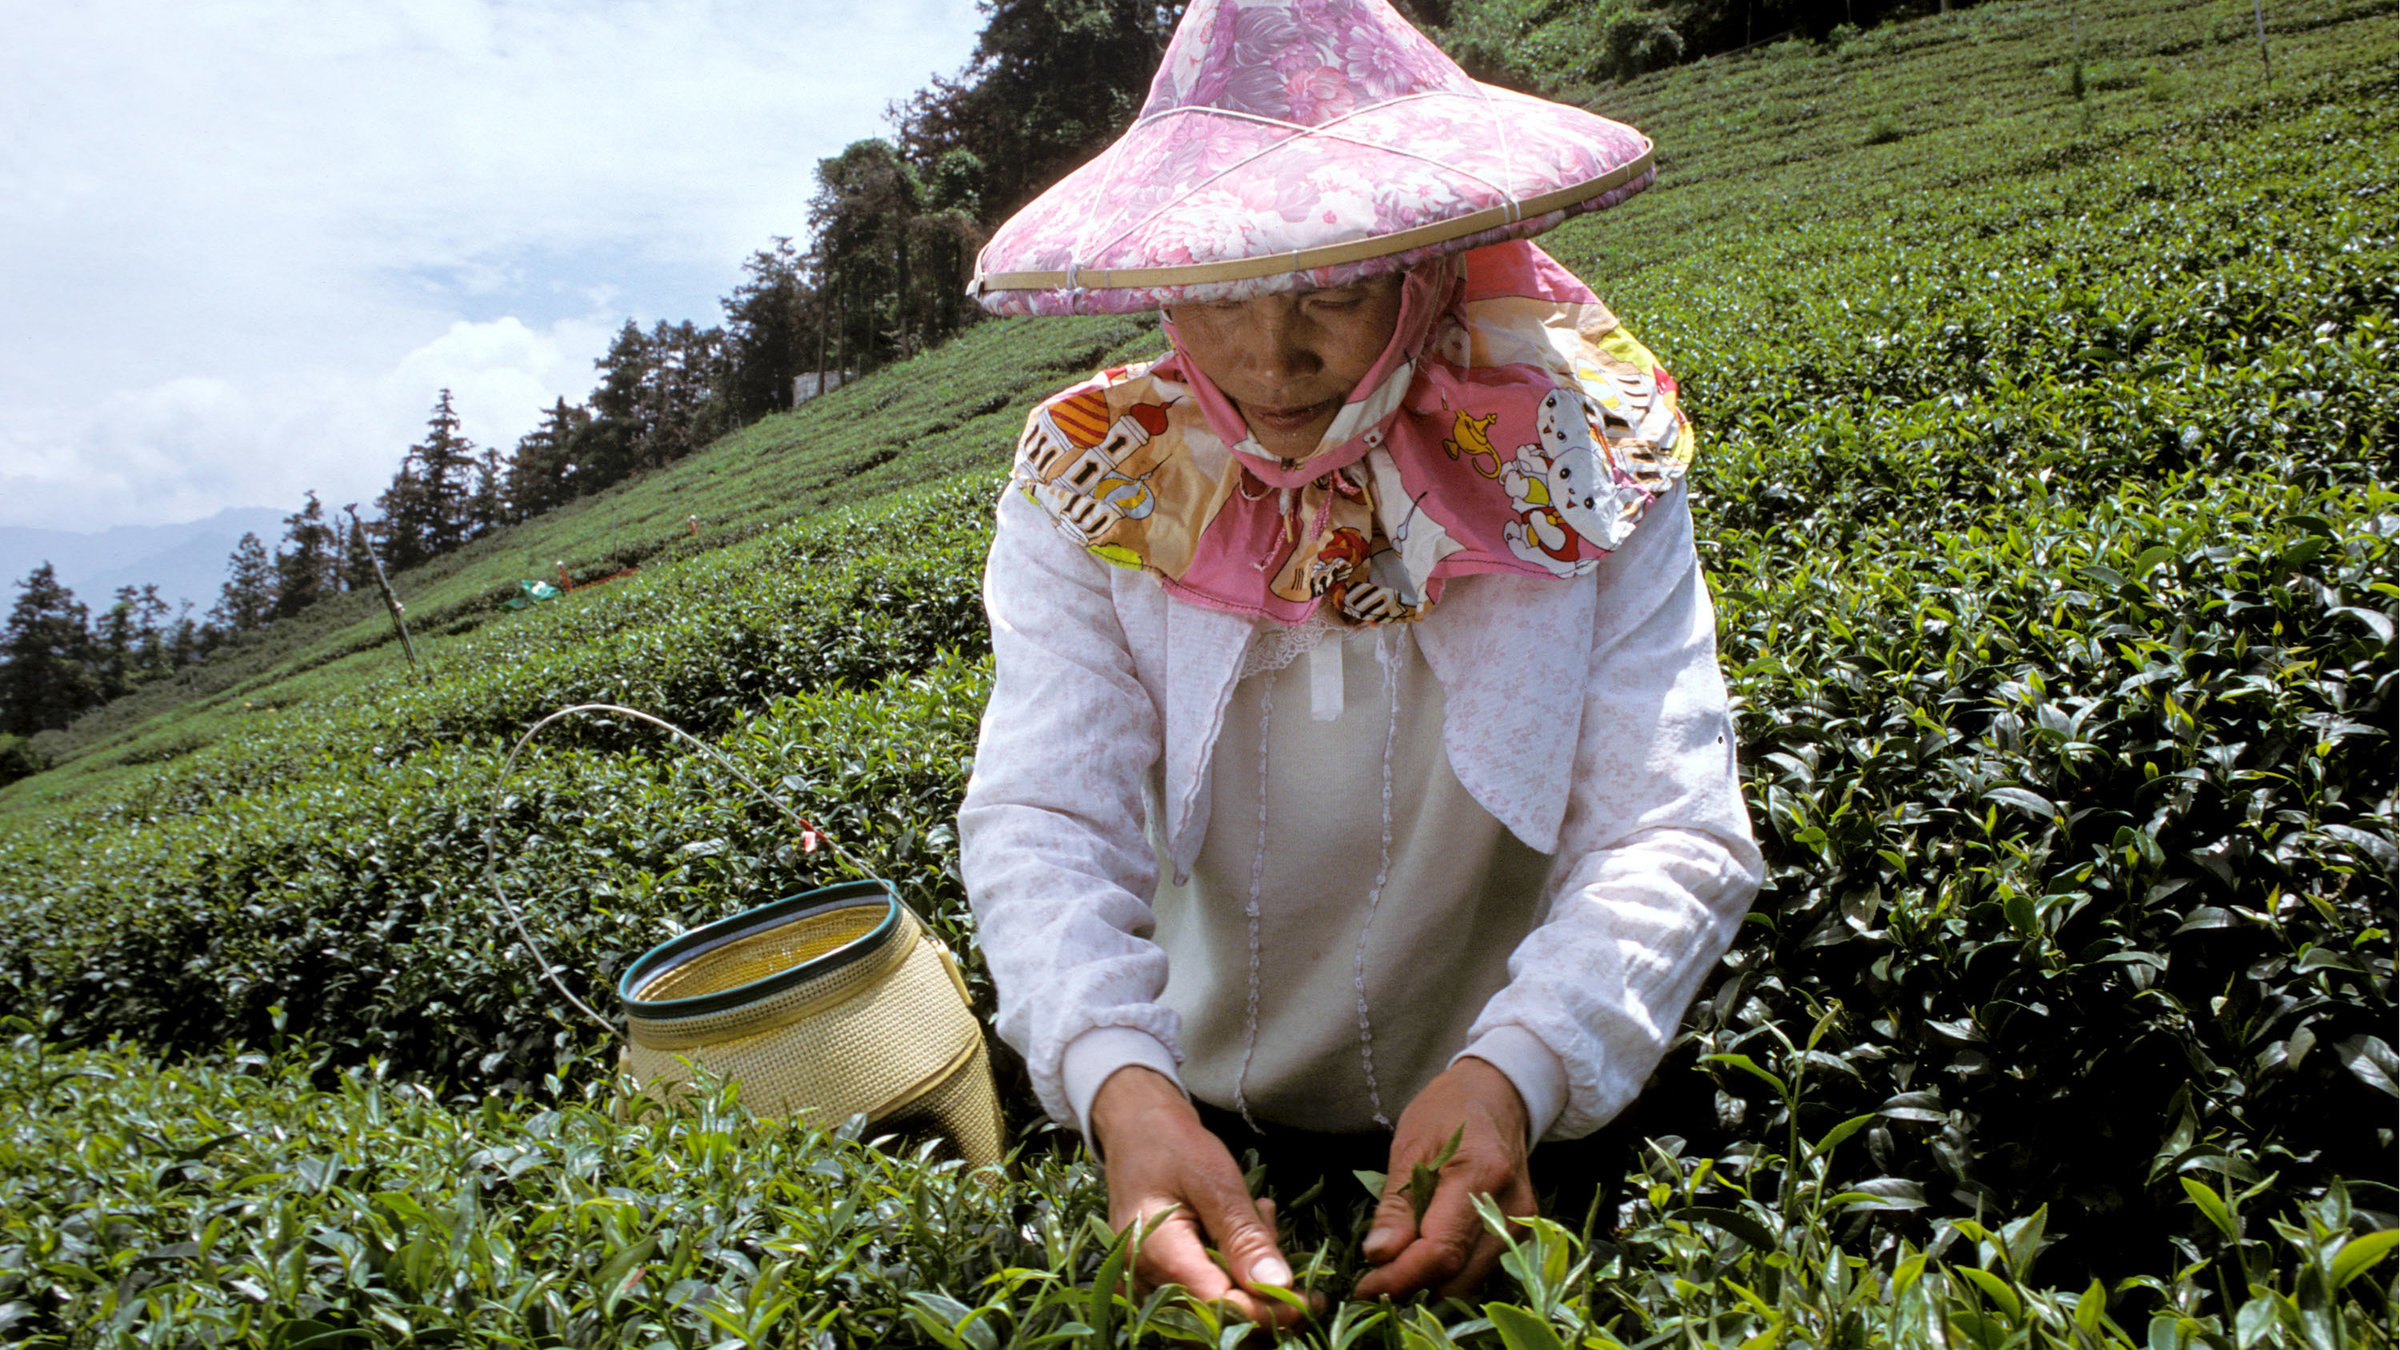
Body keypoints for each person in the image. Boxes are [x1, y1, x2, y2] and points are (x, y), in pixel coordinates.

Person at [956, 0, 1762, 1325]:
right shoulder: (1101, 480)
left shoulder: (1582, 454)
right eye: (1216, 290)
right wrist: (1123, 1088)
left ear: (1428, 255)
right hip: (1191, 1112)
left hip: (1526, 1114)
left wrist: (1518, 1069)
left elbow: (1668, 823)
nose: (1268, 357)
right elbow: (1047, 819)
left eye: (1332, 281)